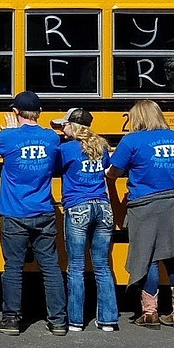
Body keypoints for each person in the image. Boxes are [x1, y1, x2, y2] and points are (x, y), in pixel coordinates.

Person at [0, 90, 67, 336]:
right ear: (39, 113)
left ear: (15, 112)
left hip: (14, 212)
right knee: (50, 266)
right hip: (44, 210)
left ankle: (12, 318)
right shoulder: (51, 138)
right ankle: (58, 320)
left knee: (14, 267)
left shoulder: (9, 138)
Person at [107, 99, 174, 330]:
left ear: (137, 118)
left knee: (148, 258)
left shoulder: (132, 141)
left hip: (146, 205)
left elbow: (114, 172)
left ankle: (149, 313)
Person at [52, 108, 118, 332]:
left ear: (74, 126)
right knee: (102, 266)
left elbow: (54, 170)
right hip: (103, 207)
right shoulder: (102, 147)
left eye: (65, 125)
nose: (62, 129)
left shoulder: (66, 150)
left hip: (78, 206)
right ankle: (108, 320)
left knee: (77, 267)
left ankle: (76, 321)